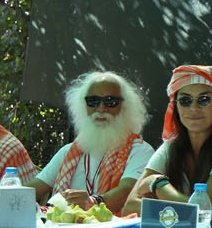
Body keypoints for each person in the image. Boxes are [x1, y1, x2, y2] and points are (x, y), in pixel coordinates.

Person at [124, 65, 212, 223]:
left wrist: (158, 185)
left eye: (204, 100)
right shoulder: (170, 148)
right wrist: (179, 210)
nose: (194, 108)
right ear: (176, 107)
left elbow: (200, 214)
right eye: (185, 101)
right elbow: (130, 207)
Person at [32, 71, 154, 215]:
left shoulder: (140, 151)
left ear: (125, 107)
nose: (101, 108)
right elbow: (33, 190)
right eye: (93, 101)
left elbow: (127, 191)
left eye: (110, 101)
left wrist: (92, 202)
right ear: (84, 106)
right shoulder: (68, 152)